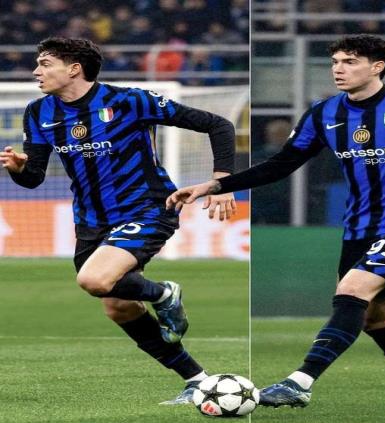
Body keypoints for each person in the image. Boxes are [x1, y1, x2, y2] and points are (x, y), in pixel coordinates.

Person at [167, 34, 385, 415]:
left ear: (377, 67)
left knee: (352, 290)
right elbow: (281, 165)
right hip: (360, 226)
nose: (338, 69)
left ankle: (299, 383)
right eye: (336, 62)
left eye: (350, 62)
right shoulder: (323, 114)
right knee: (377, 318)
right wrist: (217, 185)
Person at [0, 37, 237, 404]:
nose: (36, 71)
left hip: (148, 208)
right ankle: (198, 380)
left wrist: (221, 184)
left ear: (74, 69)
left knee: (93, 279)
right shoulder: (38, 112)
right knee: (118, 305)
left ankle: (164, 293)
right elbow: (34, 178)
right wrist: (18, 169)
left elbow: (218, 125)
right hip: (91, 221)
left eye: (45, 63)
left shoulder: (130, 100)